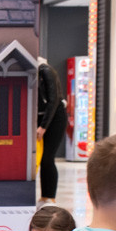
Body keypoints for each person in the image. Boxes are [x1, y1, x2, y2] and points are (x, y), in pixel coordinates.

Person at [36, 61, 68, 205]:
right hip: (42, 119)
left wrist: (43, 126)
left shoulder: (46, 71)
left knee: (47, 157)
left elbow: (53, 100)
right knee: (42, 158)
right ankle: (44, 197)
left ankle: (49, 197)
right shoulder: (33, 72)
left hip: (55, 119)